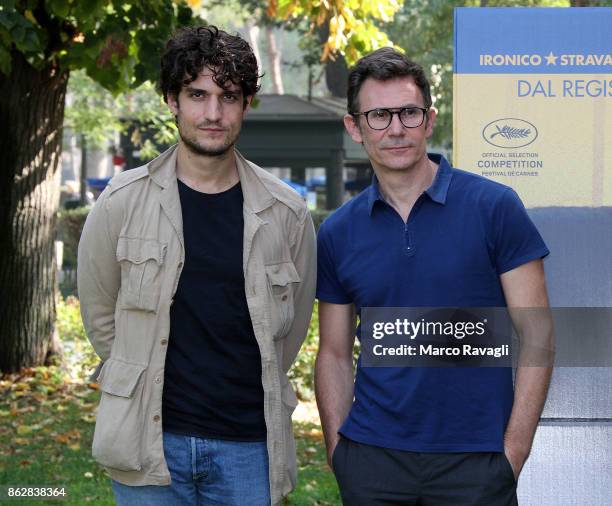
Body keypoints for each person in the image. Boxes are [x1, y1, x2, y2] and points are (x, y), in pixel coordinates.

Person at [78, 25, 316, 506]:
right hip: (147, 443)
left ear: (247, 103)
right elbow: (101, 318)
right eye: (197, 94)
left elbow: (291, 332)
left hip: (249, 445)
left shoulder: (286, 214)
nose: (213, 113)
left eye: (228, 96)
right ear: (172, 100)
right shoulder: (121, 203)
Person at [315, 47, 553, 505]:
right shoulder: (339, 231)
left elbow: (537, 333)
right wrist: (339, 452)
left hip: (477, 462)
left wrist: (512, 453)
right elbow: (334, 353)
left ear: (429, 119)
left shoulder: (494, 207)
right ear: (355, 127)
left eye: (408, 112)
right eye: (379, 115)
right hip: (372, 461)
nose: (396, 128)